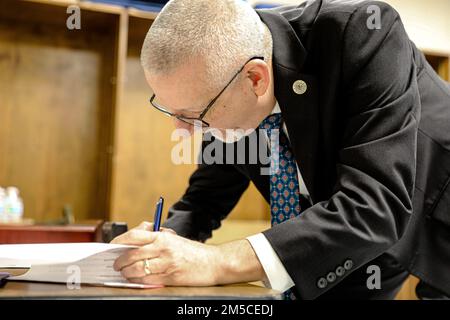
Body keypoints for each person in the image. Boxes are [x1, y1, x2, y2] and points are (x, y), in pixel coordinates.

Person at [111, 0, 450, 300]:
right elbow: (206, 198)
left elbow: (375, 205)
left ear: (255, 79)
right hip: (343, 236)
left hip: (435, 214)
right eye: (172, 112)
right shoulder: (224, 84)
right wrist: (161, 245)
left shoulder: (362, 33)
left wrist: (217, 262)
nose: (182, 133)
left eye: (193, 116)